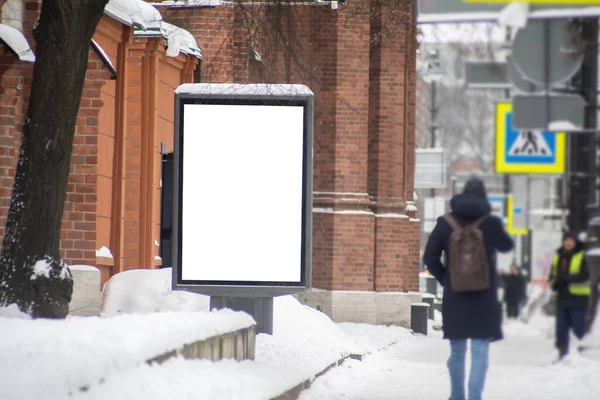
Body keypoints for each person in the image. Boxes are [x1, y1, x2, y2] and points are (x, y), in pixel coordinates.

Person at [424, 176, 513, 400]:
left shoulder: (444, 222)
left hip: (456, 297)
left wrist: (447, 279)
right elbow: (507, 245)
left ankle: (457, 396)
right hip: (484, 297)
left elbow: (429, 258)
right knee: (480, 350)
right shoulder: (489, 223)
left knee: (457, 351)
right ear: (483, 196)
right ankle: (474, 397)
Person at [548, 231, 590, 360]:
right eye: (565, 240)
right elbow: (553, 273)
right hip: (562, 297)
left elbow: (585, 274)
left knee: (578, 327)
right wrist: (553, 282)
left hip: (578, 298)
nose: (568, 242)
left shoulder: (582, 255)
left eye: (570, 240)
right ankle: (562, 352)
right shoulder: (558, 255)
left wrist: (566, 279)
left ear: (575, 241)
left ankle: (578, 354)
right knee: (561, 328)